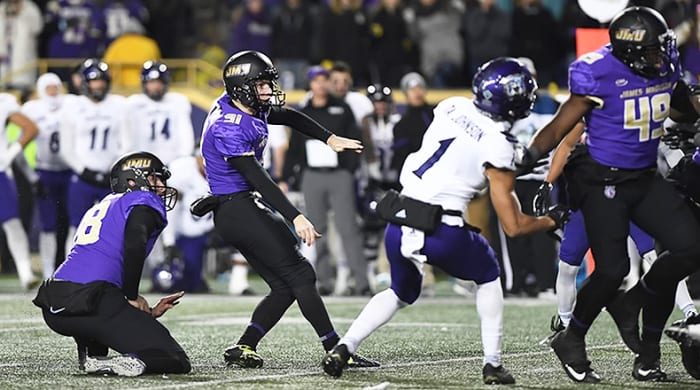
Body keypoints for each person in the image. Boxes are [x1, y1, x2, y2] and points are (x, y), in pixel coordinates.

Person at [322, 57, 569, 384]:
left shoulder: (452, 106)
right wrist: (551, 221)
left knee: (400, 291)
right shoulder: (499, 146)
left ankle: (344, 346)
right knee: (489, 274)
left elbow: (463, 150)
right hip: (442, 229)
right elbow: (515, 226)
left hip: (400, 217)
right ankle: (492, 364)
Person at [519, 6, 700, 383]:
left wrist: (689, 112)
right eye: (653, 48)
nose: (662, 54)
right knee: (613, 268)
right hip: (600, 181)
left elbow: (685, 109)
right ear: (631, 51)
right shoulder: (597, 73)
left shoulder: (663, 66)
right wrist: (527, 158)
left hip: (643, 176)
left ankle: (633, 301)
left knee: (689, 246)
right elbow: (561, 127)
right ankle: (572, 338)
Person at [198, 50, 378, 369]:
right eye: (262, 85)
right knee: (300, 274)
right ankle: (336, 349)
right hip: (237, 207)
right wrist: (294, 216)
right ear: (242, 87)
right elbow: (259, 178)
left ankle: (245, 345)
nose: (268, 91)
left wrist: (330, 138)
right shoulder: (230, 124)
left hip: (238, 206)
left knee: (285, 286)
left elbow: (291, 116)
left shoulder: (242, 104)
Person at [32, 151, 191, 377]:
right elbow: (135, 244)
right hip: (92, 299)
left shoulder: (103, 205)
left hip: (55, 303)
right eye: (155, 179)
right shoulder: (142, 200)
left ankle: (94, 357)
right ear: (133, 181)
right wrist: (132, 296)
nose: (162, 187)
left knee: (111, 317)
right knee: (174, 359)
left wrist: (141, 311)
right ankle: (123, 361)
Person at [537, 125, 698, 343]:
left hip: (632, 195)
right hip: (594, 198)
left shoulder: (638, 111)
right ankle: (564, 325)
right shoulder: (593, 108)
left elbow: (666, 144)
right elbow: (566, 143)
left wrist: (683, 169)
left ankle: (689, 311)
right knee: (568, 264)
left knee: (656, 257)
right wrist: (547, 183)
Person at [60, 58, 131, 254]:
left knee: (114, 229)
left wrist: (114, 169)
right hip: (82, 177)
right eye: (94, 80)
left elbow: (126, 143)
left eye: (101, 80)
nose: (98, 85)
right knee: (77, 227)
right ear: (84, 82)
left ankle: (108, 274)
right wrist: (83, 171)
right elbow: (67, 147)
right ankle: (70, 274)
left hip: (111, 177)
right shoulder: (72, 106)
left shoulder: (119, 105)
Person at [21, 73, 74, 278]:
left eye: (56, 87)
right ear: (41, 90)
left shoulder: (72, 105)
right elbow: (16, 142)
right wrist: (31, 175)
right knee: (48, 225)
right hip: (45, 172)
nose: (53, 92)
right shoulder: (32, 109)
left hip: (70, 172)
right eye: (48, 88)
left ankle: (71, 270)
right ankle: (47, 271)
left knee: (74, 223)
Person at [0, 92, 40, 290]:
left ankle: (25, 273)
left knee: (12, 223)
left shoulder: (3, 102)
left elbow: (30, 128)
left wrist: (11, 153)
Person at [127, 61, 195, 165]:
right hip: (141, 163)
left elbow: (185, 134)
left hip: (172, 162)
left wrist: (182, 158)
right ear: (144, 83)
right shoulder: (133, 103)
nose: (156, 86)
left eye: (159, 82)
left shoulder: (178, 102)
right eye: (152, 82)